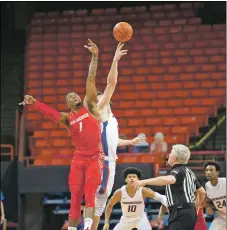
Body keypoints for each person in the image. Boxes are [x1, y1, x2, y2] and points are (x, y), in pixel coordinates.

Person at [20, 39, 103, 230]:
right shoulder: (67, 118)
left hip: (94, 157)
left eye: (75, 94)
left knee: (90, 193)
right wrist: (35, 103)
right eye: (69, 97)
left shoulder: (89, 107)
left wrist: (95, 56)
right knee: (75, 195)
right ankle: (73, 228)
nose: (74, 96)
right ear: (67, 104)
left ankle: (89, 225)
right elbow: (51, 114)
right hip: (78, 159)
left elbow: (90, 79)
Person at [91, 43, 144, 230]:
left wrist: (130, 141)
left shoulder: (111, 117)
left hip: (110, 160)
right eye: (100, 96)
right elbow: (111, 83)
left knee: (100, 203)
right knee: (99, 195)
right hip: (103, 161)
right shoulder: (100, 110)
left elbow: (113, 140)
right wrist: (114, 60)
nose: (102, 97)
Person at [133, 144, 206, 230]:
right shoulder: (190, 172)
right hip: (187, 212)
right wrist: (195, 207)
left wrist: (144, 181)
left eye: (171, 153)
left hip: (180, 212)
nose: (169, 155)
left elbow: (170, 180)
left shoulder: (178, 171)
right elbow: (202, 192)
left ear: (175, 158)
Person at [103, 167, 167, 230]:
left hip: (141, 219)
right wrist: (106, 222)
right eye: (129, 177)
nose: (132, 178)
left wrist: (162, 213)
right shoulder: (120, 192)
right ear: (126, 180)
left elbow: (162, 198)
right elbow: (109, 205)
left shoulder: (143, 190)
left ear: (138, 179)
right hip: (126, 219)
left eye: (134, 177)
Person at [204, 161, 226, 230]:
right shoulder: (207, 185)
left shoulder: (225, 182)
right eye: (207, 170)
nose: (208, 172)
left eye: (211, 170)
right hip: (221, 216)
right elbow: (207, 202)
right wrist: (209, 208)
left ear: (217, 173)